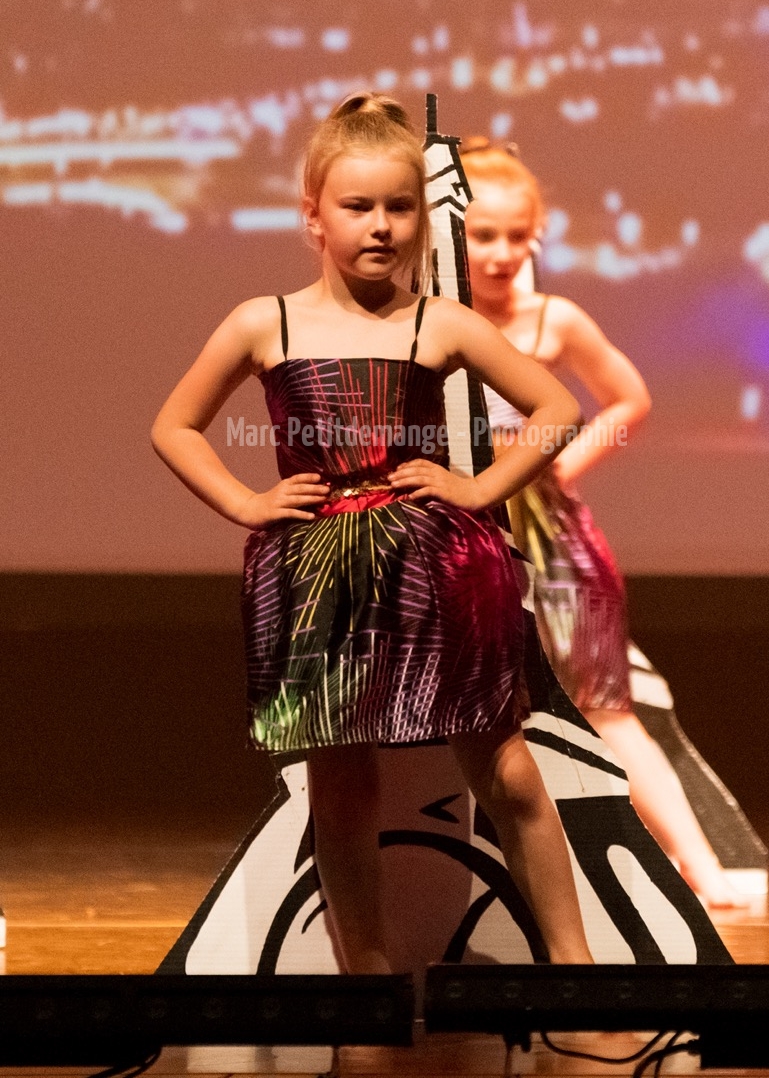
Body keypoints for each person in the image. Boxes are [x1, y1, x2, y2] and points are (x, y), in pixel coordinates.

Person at [151, 94, 594, 971]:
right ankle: (367, 983)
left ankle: (576, 972)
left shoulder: (439, 322)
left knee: (503, 766)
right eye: (358, 206)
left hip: (435, 566)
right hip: (318, 574)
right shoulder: (266, 321)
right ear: (313, 215)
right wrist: (244, 503)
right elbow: (175, 425)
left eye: (400, 207)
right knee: (342, 781)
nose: (381, 226)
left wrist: (477, 488)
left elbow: (556, 406)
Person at [460, 137, 748, 909]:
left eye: (516, 237)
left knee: (605, 708)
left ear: (536, 237)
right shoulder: (434, 322)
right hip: (466, 534)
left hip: (550, 540)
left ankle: (699, 864)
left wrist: (564, 465)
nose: (500, 254)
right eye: (482, 235)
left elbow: (628, 398)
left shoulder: (552, 320)